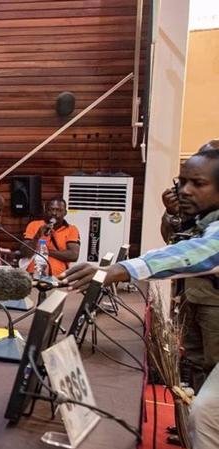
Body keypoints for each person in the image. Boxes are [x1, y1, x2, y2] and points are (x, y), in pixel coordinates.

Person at [62, 140, 219, 391]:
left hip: (213, 301)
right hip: (193, 294)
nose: (186, 190)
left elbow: (198, 252)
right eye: (184, 182)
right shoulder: (204, 215)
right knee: (197, 366)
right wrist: (174, 214)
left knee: (210, 385)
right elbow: (174, 241)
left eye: (198, 183)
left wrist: (118, 270)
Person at [21, 197, 80, 277]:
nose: (54, 213)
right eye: (51, 210)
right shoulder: (33, 225)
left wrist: (45, 252)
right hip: (33, 276)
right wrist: (37, 235)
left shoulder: (72, 229)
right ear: (46, 211)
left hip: (58, 278)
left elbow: (73, 255)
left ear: (65, 213)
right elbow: (25, 252)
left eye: (59, 210)